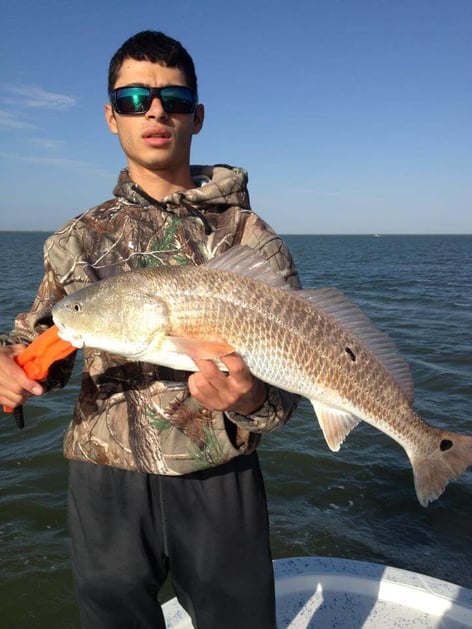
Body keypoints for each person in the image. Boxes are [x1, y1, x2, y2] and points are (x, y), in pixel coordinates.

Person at [0, 30, 300, 629]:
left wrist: (253, 400)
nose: (156, 110)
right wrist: (7, 364)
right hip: (104, 479)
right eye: (135, 98)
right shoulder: (76, 239)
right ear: (112, 117)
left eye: (175, 98)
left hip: (219, 475)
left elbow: (291, 375)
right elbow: (40, 340)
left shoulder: (250, 238)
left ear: (198, 116)